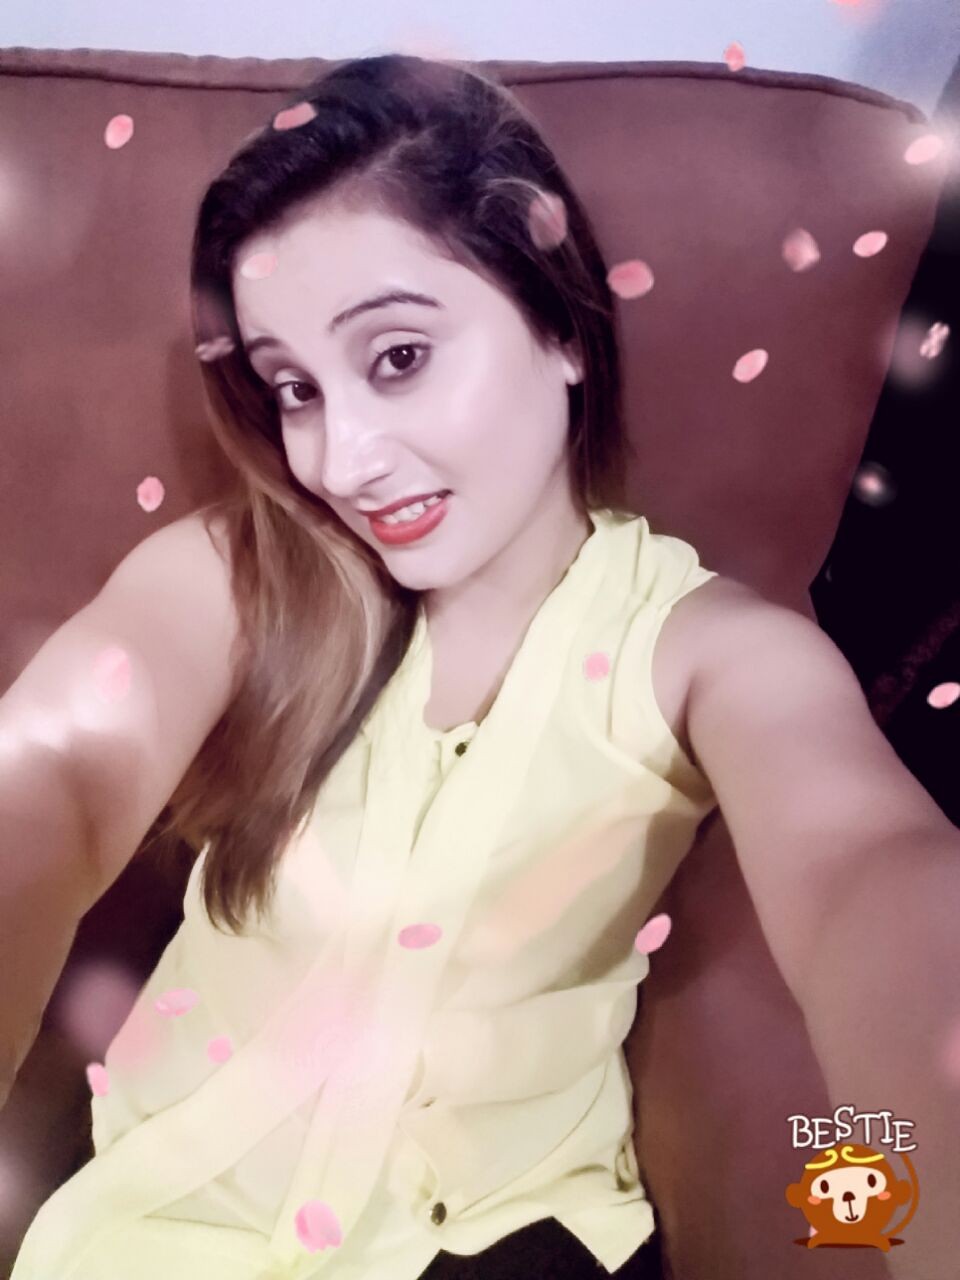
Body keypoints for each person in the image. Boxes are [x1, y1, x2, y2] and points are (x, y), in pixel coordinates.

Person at [5, 51, 959, 1280]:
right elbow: (59, 778)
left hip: (506, 1239)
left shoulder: (707, 646)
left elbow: (864, 869)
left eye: (398, 355)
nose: (341, 458)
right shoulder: (239, 574)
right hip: (154, 1239)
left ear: (560, 324)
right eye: (293, 386)